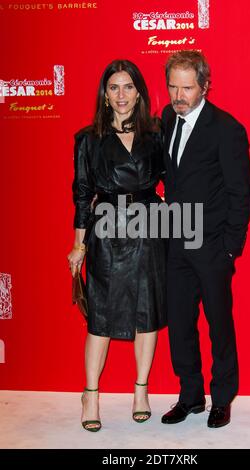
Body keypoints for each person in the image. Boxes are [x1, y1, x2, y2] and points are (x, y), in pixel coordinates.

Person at [67, 59, 167, 432]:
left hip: (151, 230)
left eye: (128, 87)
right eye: (114, 88)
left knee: (148, 313)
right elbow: (82, 195)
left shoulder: (155, 134)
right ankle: (90, 394)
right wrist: (78, 245)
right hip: (106, 233)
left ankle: (140, 390)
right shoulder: (88, 139)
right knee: (101, 318)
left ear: (138, 92)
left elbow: (170, 181)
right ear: (104, 95)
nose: (121, 95)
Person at [161, 50, 250, 428]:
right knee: (180, 323)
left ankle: (222, 399)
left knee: (219, 324)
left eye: (187, 87)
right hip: (175, 242)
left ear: (205, 86)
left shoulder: (227, 129)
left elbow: (241, 193)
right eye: (172, 86)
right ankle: (190, 396)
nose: (178, 95)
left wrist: (229, 247)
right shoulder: (167, 119)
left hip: (213, 245)